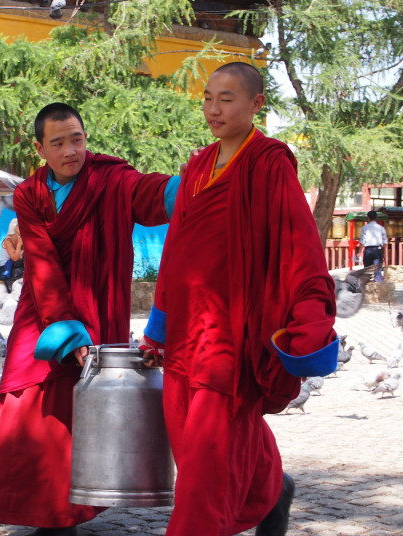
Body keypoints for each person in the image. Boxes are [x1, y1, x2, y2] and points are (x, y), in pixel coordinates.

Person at [141, 62, 338, 536]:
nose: (214, 109)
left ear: (256, 104)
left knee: (205, 470)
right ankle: (270, 487)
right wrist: (157, 327)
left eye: (227, 99)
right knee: (195, 445)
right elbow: (178, 250)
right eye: (208, 98)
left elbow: (299, 244)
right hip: (188, 330)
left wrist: (311, 315)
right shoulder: (197, 167)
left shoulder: (270, 162)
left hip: (234, 333)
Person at [0, 102, 180, 536]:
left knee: (83, 407)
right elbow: (43, 264)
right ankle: (45, 511)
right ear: (40, 148)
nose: (71, 150)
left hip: (98, 309)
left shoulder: (111, 179)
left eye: (77, 139)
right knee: (25, 400)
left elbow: (148, 193)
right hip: (45, 309)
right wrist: (67, 332)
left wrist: (194, 187)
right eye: (58, 143)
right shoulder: (29, 194)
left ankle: (65, 515)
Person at [358, 210, 387, 283]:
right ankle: (379, 287)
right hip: (377, 250)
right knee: (377, 270)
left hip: (368, 250)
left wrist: (359, 252)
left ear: (368, 217)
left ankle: (366, 286)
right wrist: (385, 254)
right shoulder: (381, 228)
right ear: (376, 217)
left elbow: (362, 241)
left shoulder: (365, 228)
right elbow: (385, 242)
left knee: (367, 270)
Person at [0, 218, 24, 293]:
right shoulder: (7, 240)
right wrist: (19, 245)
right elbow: (15, 258)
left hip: (18, 267)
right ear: (15, 227)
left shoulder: (22, 239)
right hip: (7, 269)